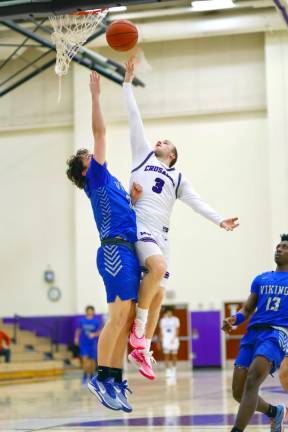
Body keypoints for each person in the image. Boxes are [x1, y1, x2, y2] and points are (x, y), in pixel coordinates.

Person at [123, 57, 239, 380]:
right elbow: (135, 119)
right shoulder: (142, 154)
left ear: (172, 155)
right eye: (159, 140)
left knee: (159, 291)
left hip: (163, 235)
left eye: (166, 142)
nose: (159, 141)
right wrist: (127, 84)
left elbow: (197, 202)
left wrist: (219, 220)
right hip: (141, 226)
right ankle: (137, 333)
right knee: (157, 269)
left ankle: (142, 348)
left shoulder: (178, 178)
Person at [66, 71, 141, 413]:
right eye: (86, 156)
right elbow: (100, 131)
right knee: (118, 317)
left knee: (125, 319)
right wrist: (95, 96)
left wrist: (134, 200)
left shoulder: (109, 182)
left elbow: (126, 215)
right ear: (85, 170)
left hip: (125, 247)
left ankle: (112, 378)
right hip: (114, 250)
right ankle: (101, 378)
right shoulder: (95, 177)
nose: (91, 154)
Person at [222, 234, 288, 432]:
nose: (279, 249)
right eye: (278, 246)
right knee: (238, 392)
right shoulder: (261, 278)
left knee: (253, 380)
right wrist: (235, 319)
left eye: (284, 247)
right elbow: (248, 309)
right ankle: (274, 411)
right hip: (252, 335)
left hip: (276, 334)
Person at [74, 305, 102, 384]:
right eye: (88, 311)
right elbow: (78, 330)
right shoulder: (82, 321)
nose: (89, 312)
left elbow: (100, 332)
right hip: (84, 343)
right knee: (85, 360)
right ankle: (85, 374)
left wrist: (94, 334)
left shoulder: (96, 321)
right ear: (86, 312)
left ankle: (92, 375)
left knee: (93, 361)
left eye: (91, 310)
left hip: (93, 343)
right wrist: (76, 338)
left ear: (93, 312)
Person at [159, 306, 180, 379]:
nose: (169, 313)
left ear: (172, 312)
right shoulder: (163, 320)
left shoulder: (176, 319)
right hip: (166, 339)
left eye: (170, 311)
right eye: (168, 311)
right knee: (166, 356)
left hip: (173, 339)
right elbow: (161, 331)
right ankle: (167, 371)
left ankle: (174, 370)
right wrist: (160, 340)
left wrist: (174, 338)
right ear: (166, 312)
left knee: (174, 355)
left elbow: (177, 329)